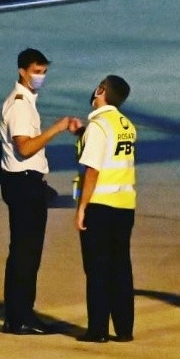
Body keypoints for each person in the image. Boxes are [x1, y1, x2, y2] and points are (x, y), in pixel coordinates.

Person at [0, 48, 81, 335]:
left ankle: (20, 313)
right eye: (36, 71)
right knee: (25, 253)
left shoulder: (25, 101)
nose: (40, 77)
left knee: (26, 251)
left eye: (44, 72)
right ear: (22, 71)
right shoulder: (20, 105)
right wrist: (57, 128)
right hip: (23, 183)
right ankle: (19, 316)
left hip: (26, 182)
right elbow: (25, 147)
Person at [73, 75, 136, 343]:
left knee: (97, 269)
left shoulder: (98, 126)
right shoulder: (126, 125)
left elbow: (93, 170)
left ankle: (97, 329)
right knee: (121, 267)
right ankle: (124, 329)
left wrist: (82, 207)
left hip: (100, 205)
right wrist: (81, 133)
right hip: (125, 205)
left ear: (101, 90)